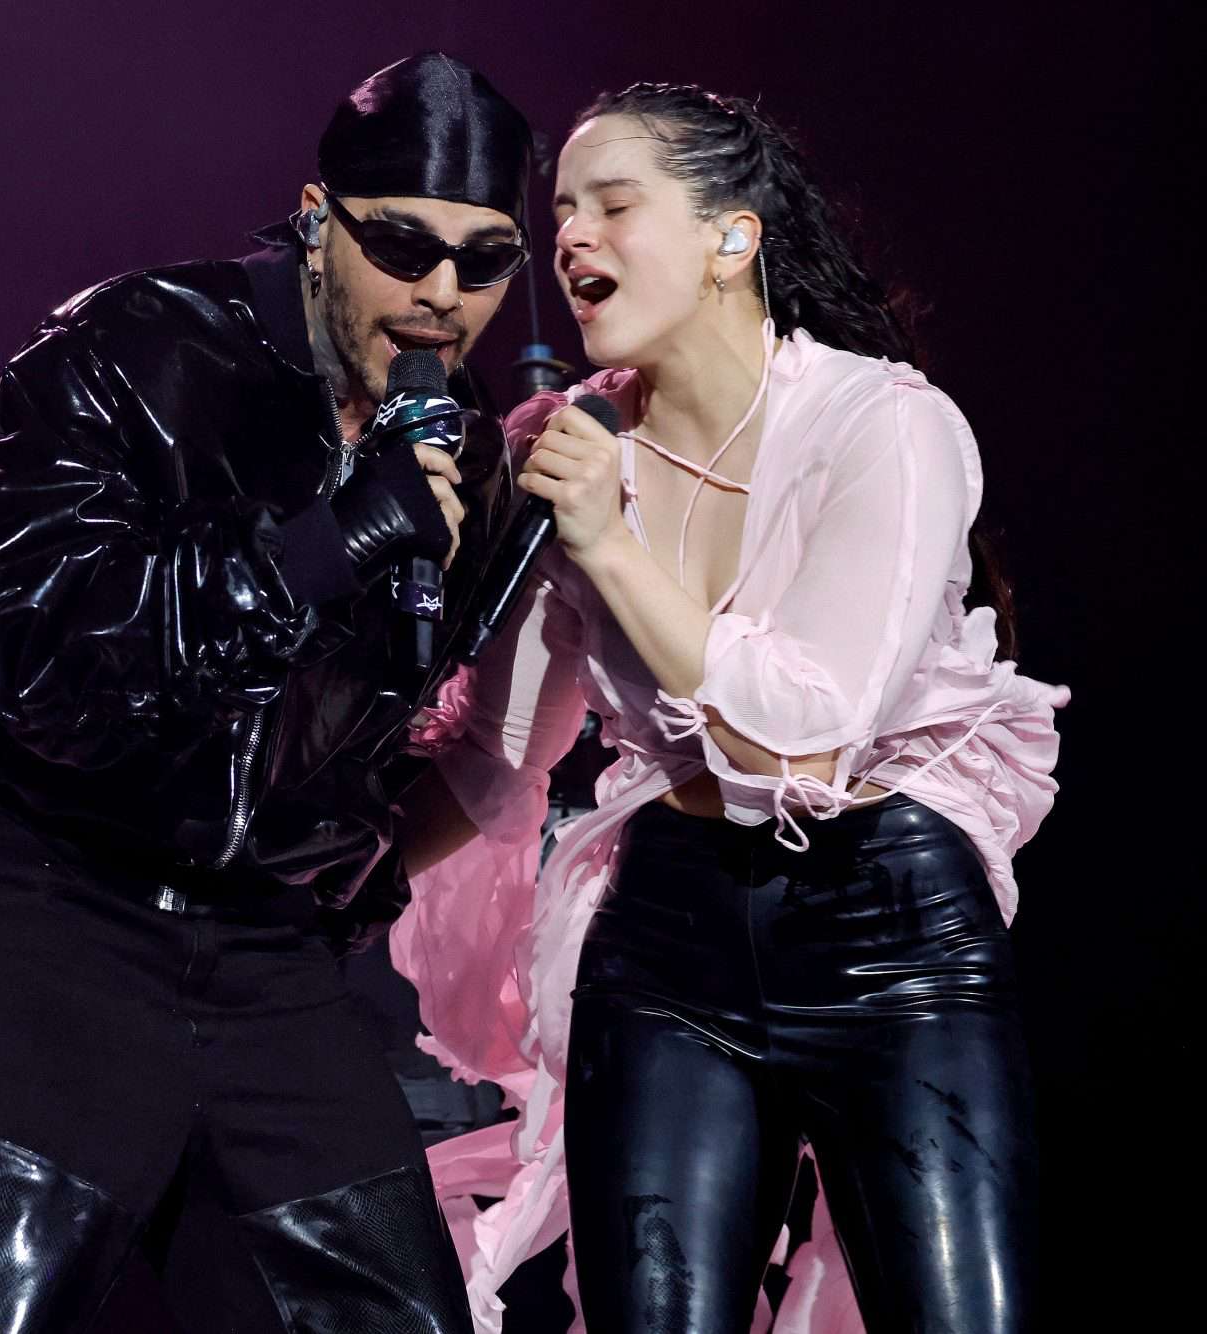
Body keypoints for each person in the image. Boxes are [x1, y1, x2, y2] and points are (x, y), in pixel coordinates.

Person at [0, 52, 534, 1333]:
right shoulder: (131, 346)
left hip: (272, 960)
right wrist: (317, 548)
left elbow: (412, 742)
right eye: (403, 245)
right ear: (318, 220)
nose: (441, 295)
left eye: (484, 262)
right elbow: (30, 659)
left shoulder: (467, 455)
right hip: (62, 918)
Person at [392, 83, 1070, 1333]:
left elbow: (802, 725)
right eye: (559, 216)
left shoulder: (885, 425)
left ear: (730, 237)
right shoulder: (573, 441)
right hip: (667, 939)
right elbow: (497, 755)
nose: (569, 241)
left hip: (888, 924)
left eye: (613, 205)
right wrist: (302, 876)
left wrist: (605, 535)